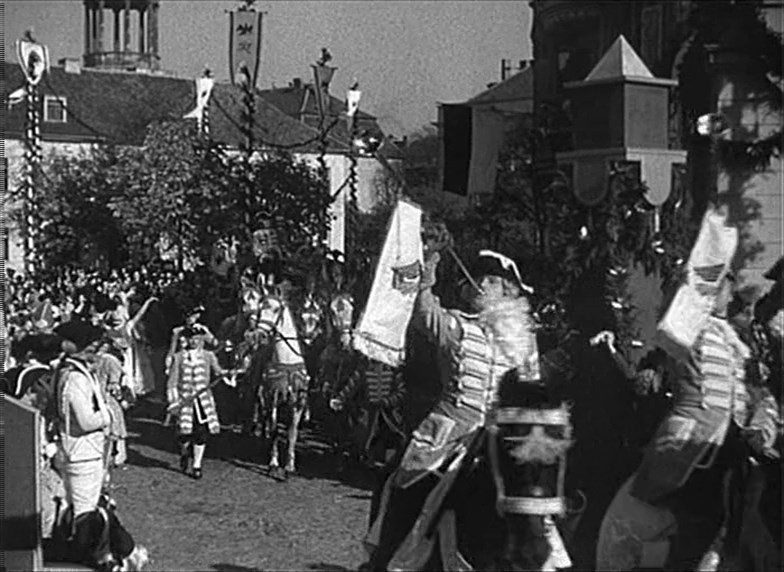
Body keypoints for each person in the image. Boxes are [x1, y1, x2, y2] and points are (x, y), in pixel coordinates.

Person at [363, 248, 540, 571]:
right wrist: (427, 276)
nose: (480, 285)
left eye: (491, 280)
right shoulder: (456, 325)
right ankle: (386, 559)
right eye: (477, 279)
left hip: (500, 439)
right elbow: (425, 312)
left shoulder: (525, 342)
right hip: (448, 433)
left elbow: (531, 394)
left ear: (508, 291)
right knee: (404, 485)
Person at [597, 270, 781, 571]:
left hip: (734, 443)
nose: (731, 296)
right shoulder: (686, 327)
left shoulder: (738, 340)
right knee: (665, 510)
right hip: (687, 441)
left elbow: (760, 396)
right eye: (724, 288)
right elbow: (672, 332)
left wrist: (761, 429)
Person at [51, 320, 148, 570]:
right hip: (82, 451)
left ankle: (116, 553)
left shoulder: (78, 372)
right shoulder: (74, 379)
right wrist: (107, 415)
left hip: (87, 451)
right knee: (87, 514)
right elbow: (85, 420)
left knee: (96, 505)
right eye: (92, 345)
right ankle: (112, 556)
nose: (96, 351)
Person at [167, 326, 227, 479]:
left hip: (202, 400)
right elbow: (172, 381)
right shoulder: (179, 357)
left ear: (202, 340)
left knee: (201, 432)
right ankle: (184, 452)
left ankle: (197, 465)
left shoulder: (208, 356)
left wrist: (231, 373)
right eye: (191, 339)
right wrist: (173, 400)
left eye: (198, 339)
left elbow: (218, 371)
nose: (194, 341)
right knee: (184, 434)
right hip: (185, 401)